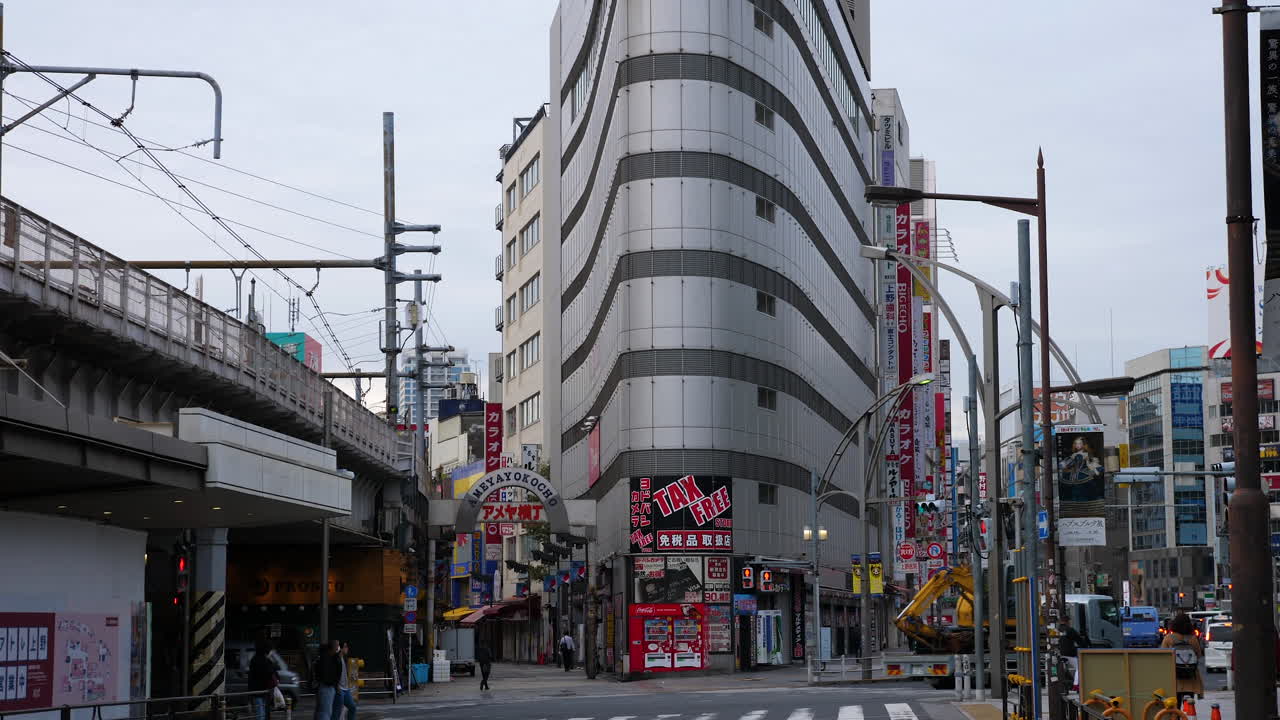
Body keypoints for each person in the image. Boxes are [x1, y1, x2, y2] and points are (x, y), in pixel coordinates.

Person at [1160, 612, 1204, 708]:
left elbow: (1163, 656)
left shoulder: (1168, 638)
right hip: (1190, 677)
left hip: (1175, 678)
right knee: (1190, 707)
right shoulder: (1193, 639)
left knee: (1176, 707)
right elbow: (1199, 655)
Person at [247, 638, 279, 720]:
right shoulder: (265, 660)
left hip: (256, 690)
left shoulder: (254, 659)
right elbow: (271, 672)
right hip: (263, 690)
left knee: (260, 712)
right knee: (263, 712)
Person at [312, 640, 342, 720]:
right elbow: (329, 674)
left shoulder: (323, 656)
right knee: (325, 712)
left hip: (323, 686)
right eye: (337, 645)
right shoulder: (328, 658)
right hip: (327, 686)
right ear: (333, 647)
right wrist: (335, 684)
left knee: (320, 711)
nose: (338, 647)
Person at [1057, 619, 1088, 691]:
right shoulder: (1070, 630)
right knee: (1079, 668)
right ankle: (1076, 685)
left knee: (1064, 669)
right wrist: (1085, 647)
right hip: (1069, 653)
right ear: (1067, 622)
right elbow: (1078, 639)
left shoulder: (1057, 630)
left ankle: (1065, 685)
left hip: (1060, 653)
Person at [332, 641, 357, 720]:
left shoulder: (345, 658)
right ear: (341, 648)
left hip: (346, 689)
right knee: (337, 711)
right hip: (339, 688)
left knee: (352, 707)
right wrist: (336, 686)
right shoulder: (336, 658)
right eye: (345, 647)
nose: (347, 649)